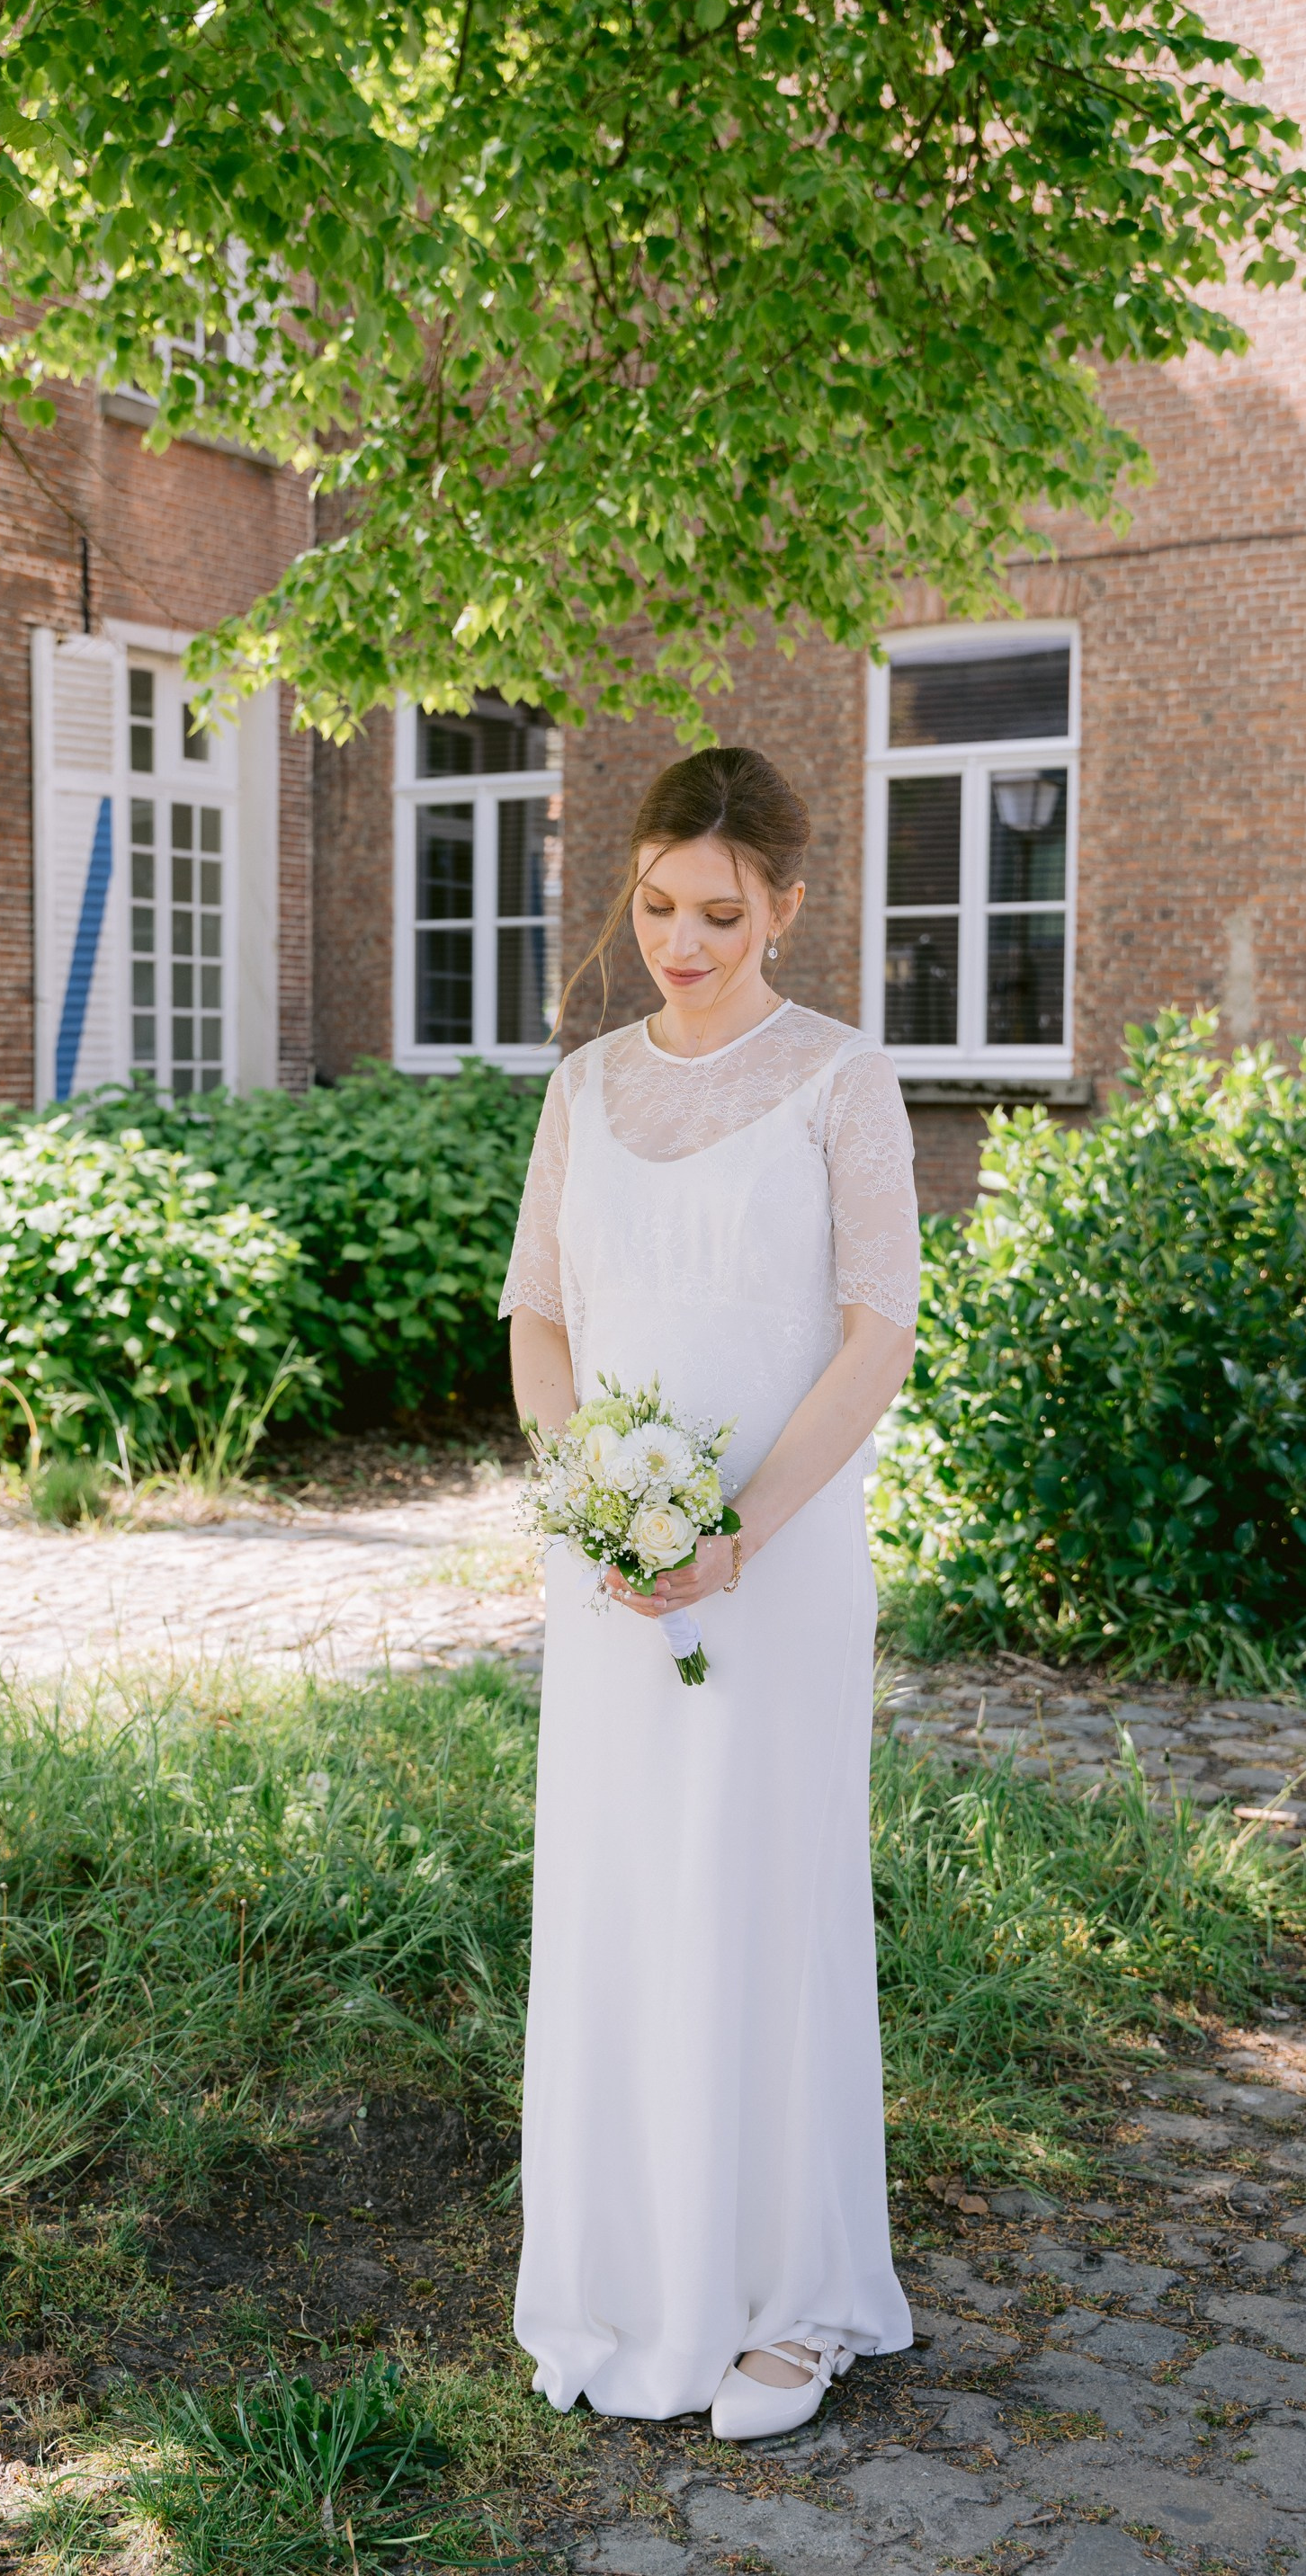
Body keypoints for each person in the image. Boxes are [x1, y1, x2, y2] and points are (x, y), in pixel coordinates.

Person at [501, 746, 918, 2439]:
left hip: (778, 1558)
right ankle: (627, 2269)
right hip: (607, 1570)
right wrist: (596, 1505)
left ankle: (790, 2296)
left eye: (719, 914)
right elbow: (538, 1314)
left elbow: (875, 1331)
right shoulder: (583, 1085)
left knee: (759, 1885)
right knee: (622, 1890)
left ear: (787, 907)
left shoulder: (840, 1077)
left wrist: (729, 1527)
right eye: (657, 905)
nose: (681, 940)